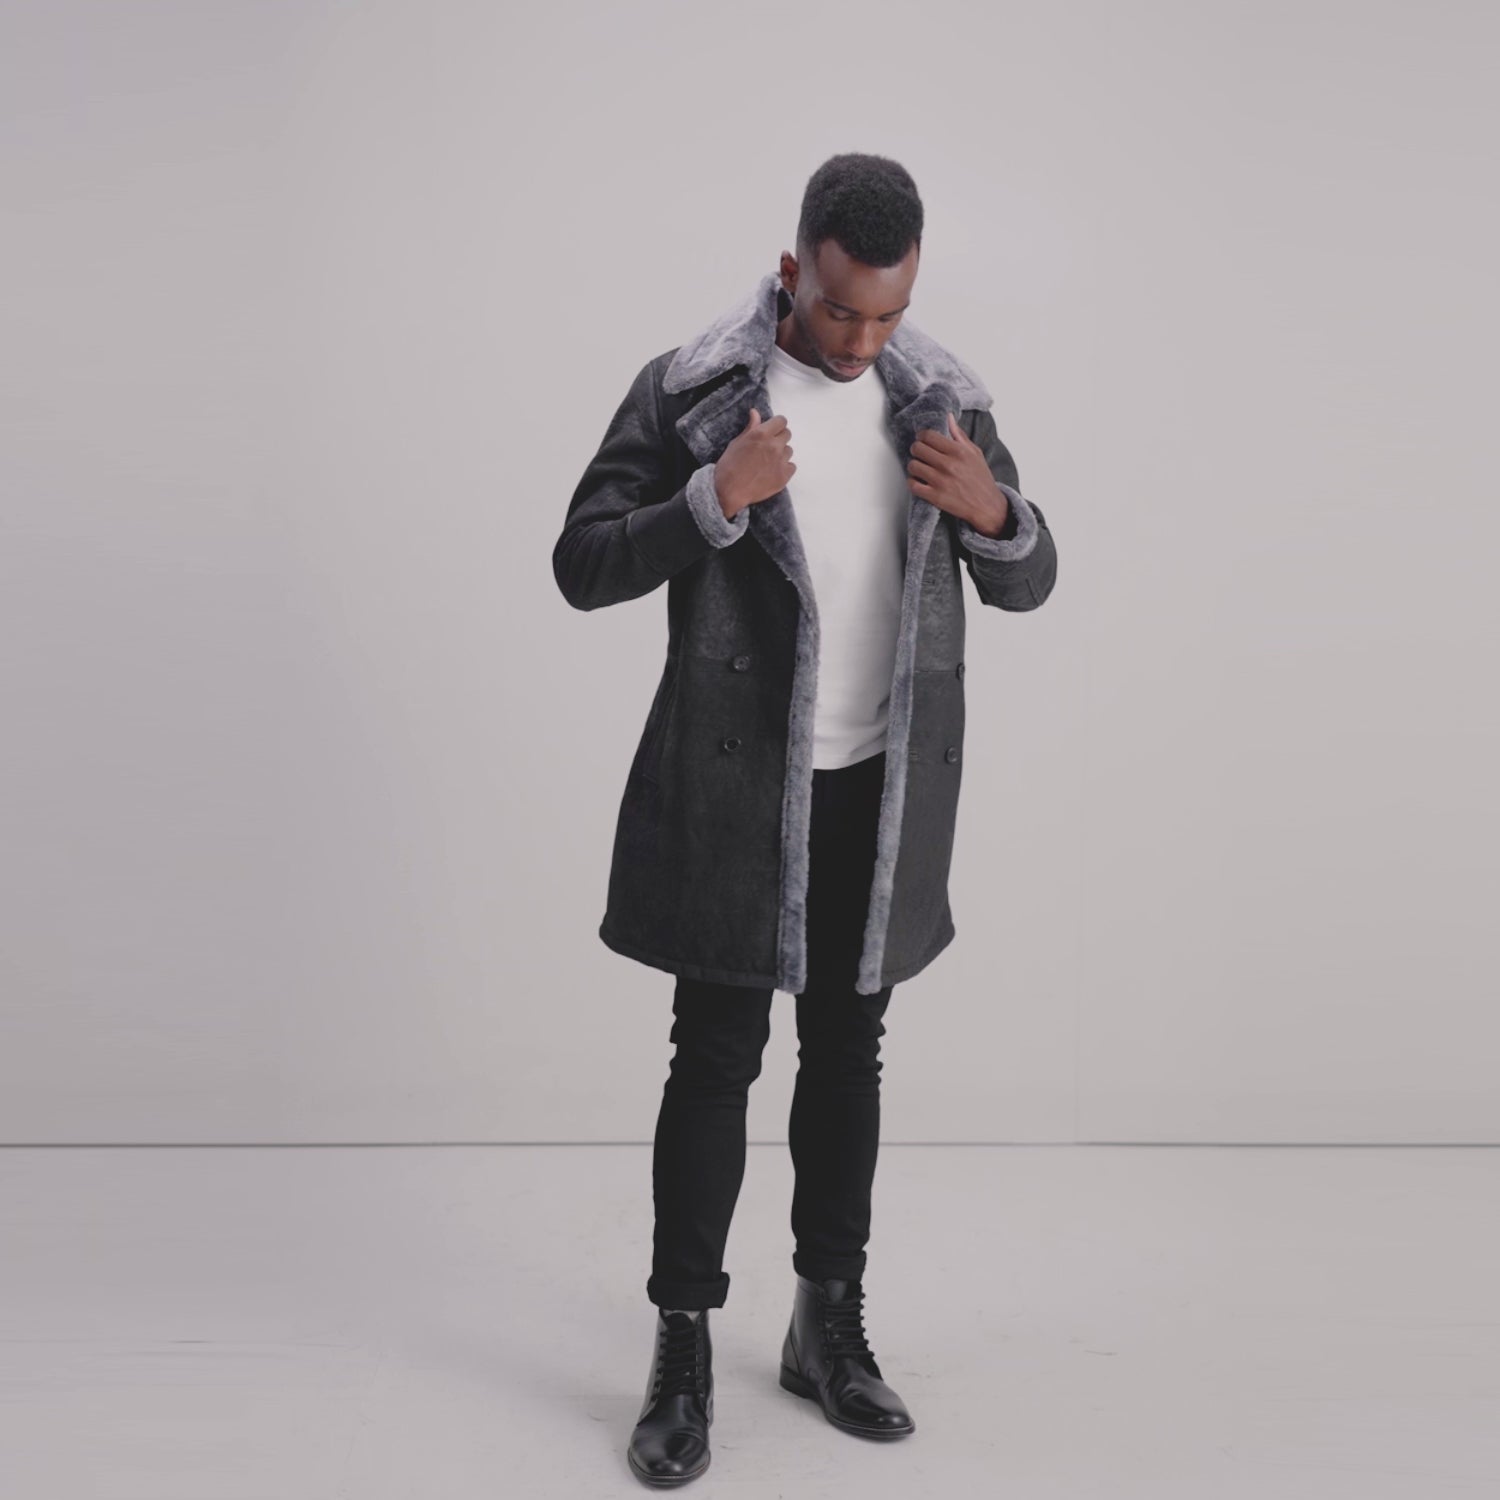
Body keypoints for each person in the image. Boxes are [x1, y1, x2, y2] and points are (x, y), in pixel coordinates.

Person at [553, 152, 1058, 1486]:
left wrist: (995, 513)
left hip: (880, 791)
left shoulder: (943, 401)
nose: (862, 340)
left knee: (848, 1058)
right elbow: (582, 563)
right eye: (840, 309)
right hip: (736, 793)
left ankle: (825, 1326)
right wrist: (711, 500)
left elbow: (1033, 576)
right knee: (713, 1061)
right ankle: (681, 1348)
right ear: (794, 271)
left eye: (889, 314)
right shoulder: (695, 394)